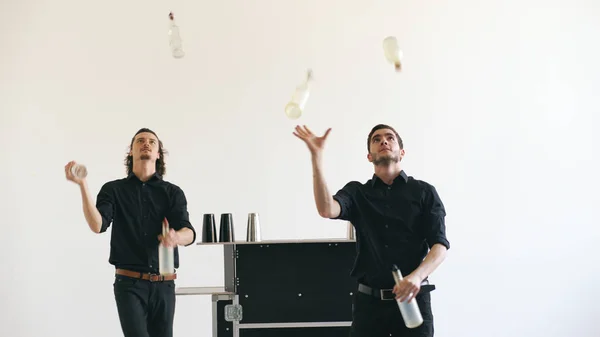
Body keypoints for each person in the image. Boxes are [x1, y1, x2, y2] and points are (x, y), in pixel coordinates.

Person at [293, 124, 450, 337]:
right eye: (376, 139)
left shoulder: (424, 192)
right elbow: (326, 209)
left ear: (401, 152)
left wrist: (416, 277)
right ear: (369, 156)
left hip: (413, 301)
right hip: (369, 308)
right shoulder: (357, 192)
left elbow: (439, 246)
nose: (383, 141)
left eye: (389, 138)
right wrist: (316, 157)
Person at [65, 128, 196, 337]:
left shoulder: (172, 192)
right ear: (131, 151)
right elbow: (97, 225)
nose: (146, 144)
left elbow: (189, 232)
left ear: (158, 154)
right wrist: (83, 185)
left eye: (152, 142)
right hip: (129, 285)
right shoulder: (113, 190)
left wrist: (176, 237)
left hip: (164, 284)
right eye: (140, 141)